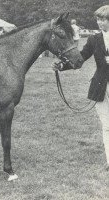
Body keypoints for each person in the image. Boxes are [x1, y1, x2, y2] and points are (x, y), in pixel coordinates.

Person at [53, 5, 109, 170]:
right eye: (98, 19)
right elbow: (81, 58)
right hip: (100, 87)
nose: (100, 22)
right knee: (107, 125)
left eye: (104, 19)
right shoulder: (94, 39)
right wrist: (62, 66)